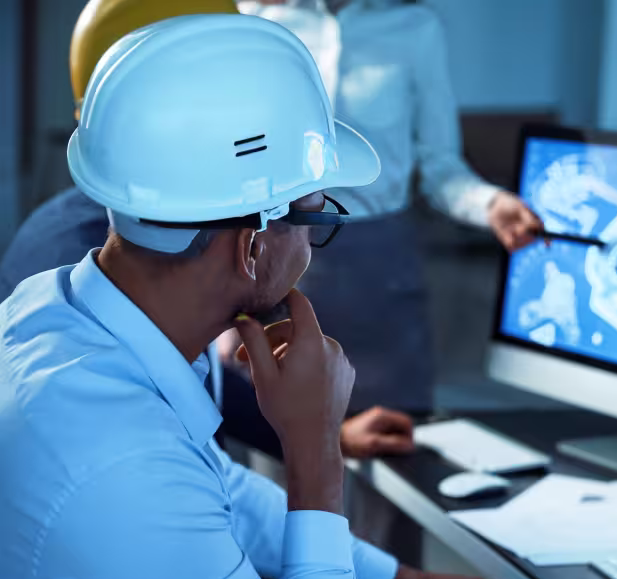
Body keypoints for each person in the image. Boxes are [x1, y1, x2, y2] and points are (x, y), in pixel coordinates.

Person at [0, 13, 507, 579]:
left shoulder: (53, 311)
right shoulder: (125, 470)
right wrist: (315, 455)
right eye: (319, 217)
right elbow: (157, 483)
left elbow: (219, 485)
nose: (311, 246)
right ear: (254, 244)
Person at [0, 0, 419, 462]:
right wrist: (316, 444)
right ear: (252, 244)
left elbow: (218, 459)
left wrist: (322, 435)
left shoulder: (130, 270)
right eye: (312, 216)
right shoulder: (122, 429)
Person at [223, 0, 544, 416]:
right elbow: (232, 163)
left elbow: (440, 166)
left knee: (394, 453)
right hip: (274, 264)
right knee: (282, 450)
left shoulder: (416, 29)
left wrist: (492, 204)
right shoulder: (254, 21)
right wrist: (230, 299)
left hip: (382, 279)